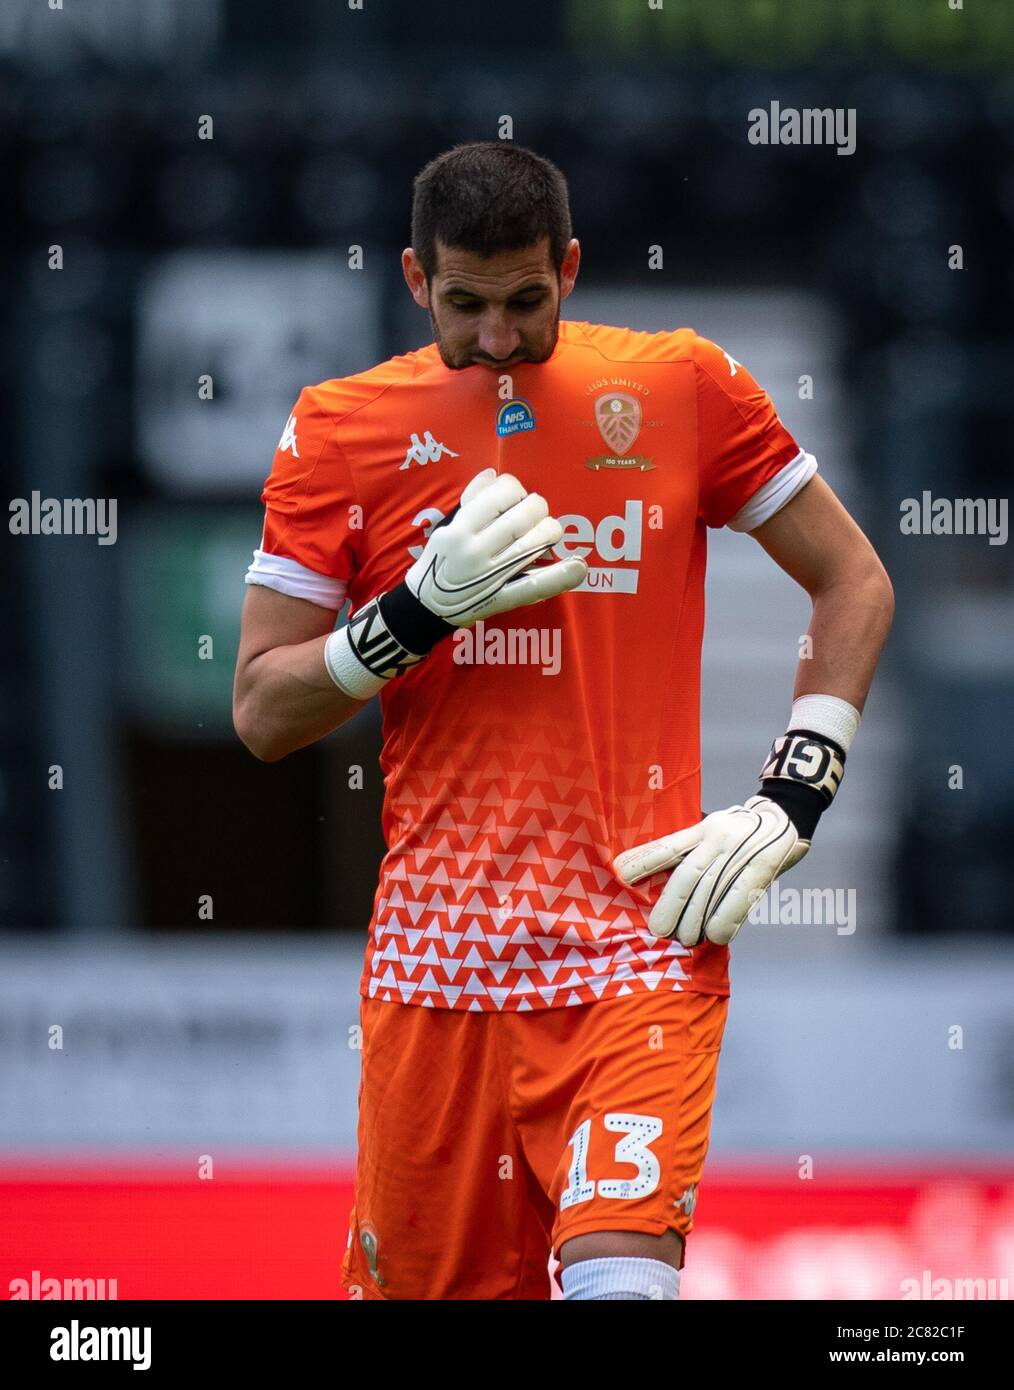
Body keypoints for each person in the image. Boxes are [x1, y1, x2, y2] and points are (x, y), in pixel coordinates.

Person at [232, 141, 894, 1300]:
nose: (498, 338)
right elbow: (259, 710)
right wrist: (408, 616)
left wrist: (798, 787)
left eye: (527, 301)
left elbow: (854, 580)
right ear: (413, 277)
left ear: (572, 269)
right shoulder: (340, 429)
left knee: (619, 1289)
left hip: (638, 941)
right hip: (435, 972)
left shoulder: (680, 387)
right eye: (467, 304)